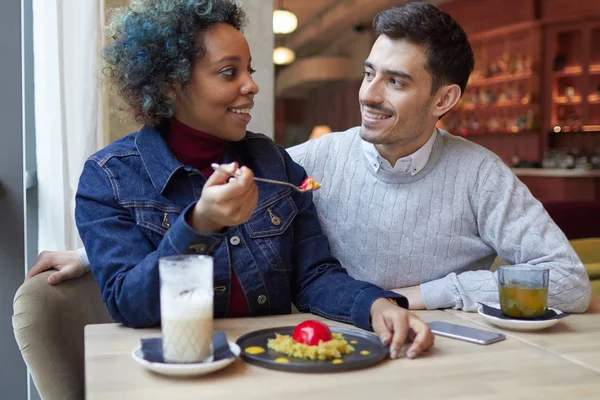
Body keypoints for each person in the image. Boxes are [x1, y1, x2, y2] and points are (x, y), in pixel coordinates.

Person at [29, 2, 591, 314]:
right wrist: (99, 254)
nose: (369, 94)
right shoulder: (300, 161)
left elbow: (566, 281)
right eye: (370, 72)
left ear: (444, 100)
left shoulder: (278, 164)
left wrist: (397, 301)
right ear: (172, 82)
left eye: (394, 81)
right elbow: (154, 241)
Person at [29, 0, 434, 360]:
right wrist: (199, 225)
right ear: (173, 84)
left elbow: (313, 277)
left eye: (250, 70)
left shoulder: (273, 162)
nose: (252, 85)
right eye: (228, 72)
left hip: (270, 368)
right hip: (176, 375)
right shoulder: (109, 178)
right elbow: (131, 304)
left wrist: (376, 305)